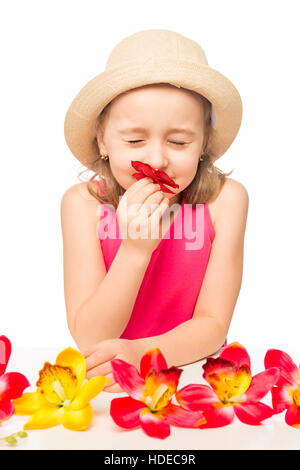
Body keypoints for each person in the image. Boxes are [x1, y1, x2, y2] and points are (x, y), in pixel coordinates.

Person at [61, 29, 249, 393]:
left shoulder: (225, 202)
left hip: (193, 378)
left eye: (179, 142)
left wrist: (139, 353)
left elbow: (213, 325)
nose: (157, 159)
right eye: (134, 140)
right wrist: (134, 250)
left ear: (204, 143)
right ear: (103, 139)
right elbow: (91, 336)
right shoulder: (83, 204)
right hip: (108, 386)